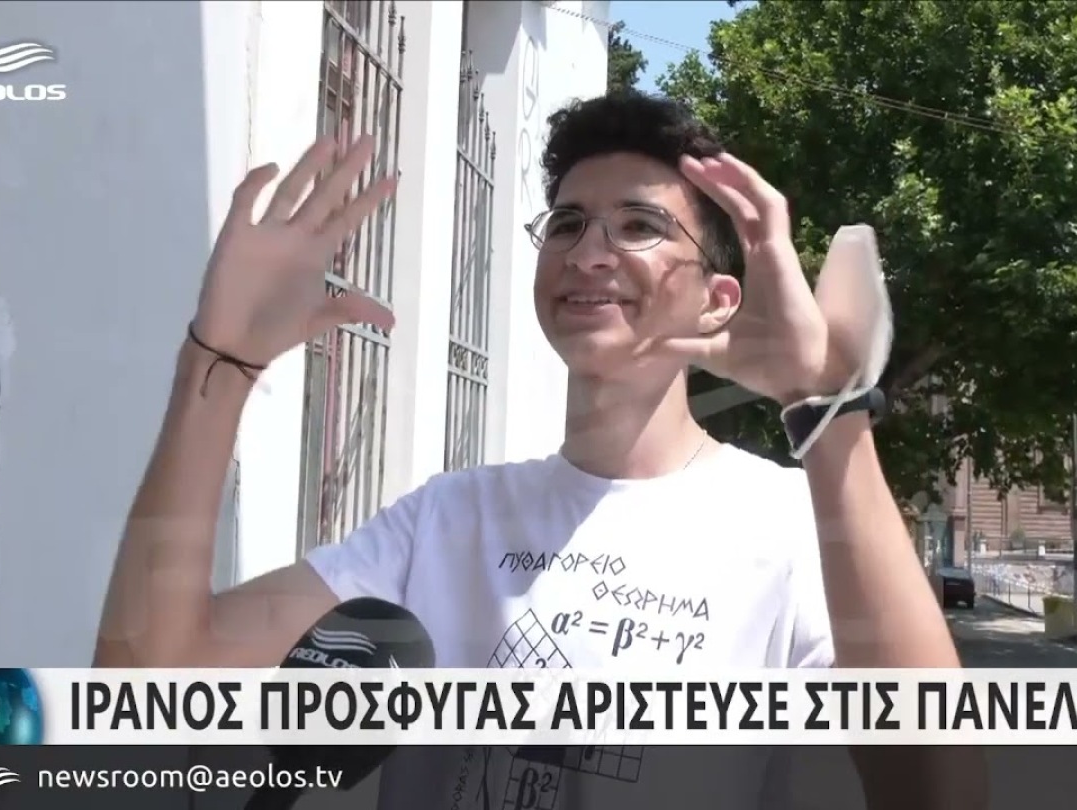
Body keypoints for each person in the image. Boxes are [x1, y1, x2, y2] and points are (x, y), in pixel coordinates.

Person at [95, 91, 984, 809]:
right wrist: (219, 363)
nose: (589, 252)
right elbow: (147, 682)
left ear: (719, 299)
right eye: (566, 224)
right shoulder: (447, 519)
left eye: (639, 226)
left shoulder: (787, 525)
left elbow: (939, 789)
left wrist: (827, 414)